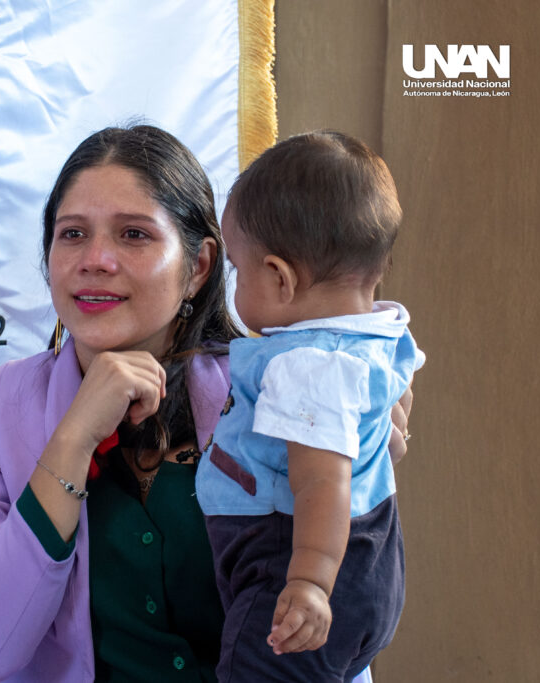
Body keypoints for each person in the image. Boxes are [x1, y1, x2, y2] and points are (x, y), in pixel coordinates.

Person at [0, 124, 410, 682]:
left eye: (133, 234)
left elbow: (342, 603)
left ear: (199, 267)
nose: (96, 259)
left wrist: (371, 397)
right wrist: (73, 437)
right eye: (72, 234)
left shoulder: (282, 386)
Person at [195, 131, 425, 682]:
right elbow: (393, 420)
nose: (235, 284)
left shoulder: (308, 366)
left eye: (237, 269)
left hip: (291, 562)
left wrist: (309, 583)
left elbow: (322, 484)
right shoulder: (378, 333)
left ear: (279, 277)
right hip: (373, 559)